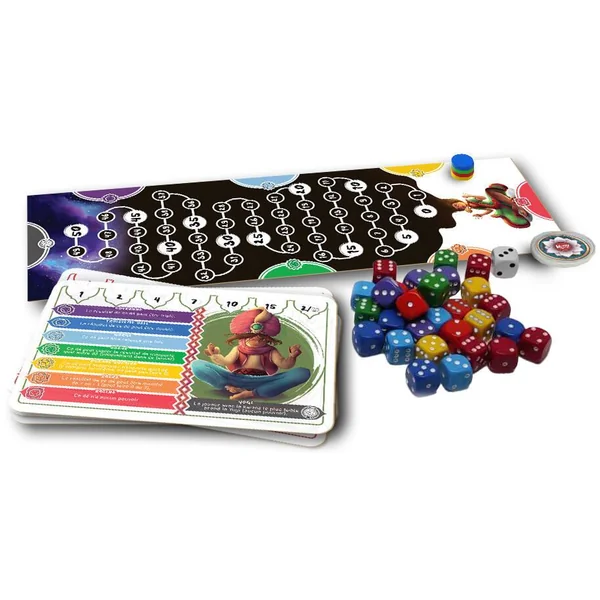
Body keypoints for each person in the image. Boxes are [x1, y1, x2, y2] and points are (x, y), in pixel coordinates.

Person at [191, 307, 310, 400]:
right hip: (234, 378)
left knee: (302, 373)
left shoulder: (271, 351)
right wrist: (214, 355)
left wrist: (292, 356)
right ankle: (227, 387)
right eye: (252, 337)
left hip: (264, 381)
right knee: (197, 365)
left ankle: (252, 393)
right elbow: (226, 361)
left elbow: (284, 364)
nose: (257, 340)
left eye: (262, 338)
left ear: (268, 339)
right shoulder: (238, 349)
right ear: (244, 337)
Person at [451, 183, 532, 228]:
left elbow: (482, 198)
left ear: (458, 201)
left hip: (493, 200)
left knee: (490, 192)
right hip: (496, 207)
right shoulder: (472, 206)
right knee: (509, 212)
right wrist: (481, 214)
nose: (459, 206)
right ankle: (520, 210)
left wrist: (470, 195)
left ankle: (514, 202)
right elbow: (489, 210)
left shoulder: (469, 199)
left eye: (456, 204)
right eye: (457, 208)